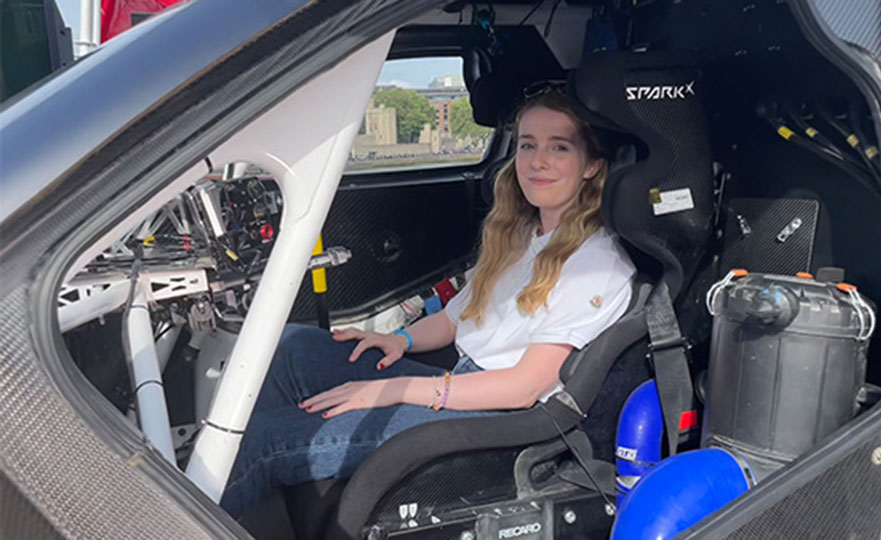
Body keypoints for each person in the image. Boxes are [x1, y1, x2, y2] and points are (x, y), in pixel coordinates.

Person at [220, 89, 636, 517]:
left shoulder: (595, 265)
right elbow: (457, 319)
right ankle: (267, 496)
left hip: (500, 421)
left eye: (559, 147)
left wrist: (394, 390)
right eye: (528, 145)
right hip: (460, 381)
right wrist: (398, 339)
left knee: (266, 440)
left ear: (592, 166)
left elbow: (523, 387)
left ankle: (232, 495)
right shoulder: (522, 236)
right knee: (290, 347)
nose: (536, 161)